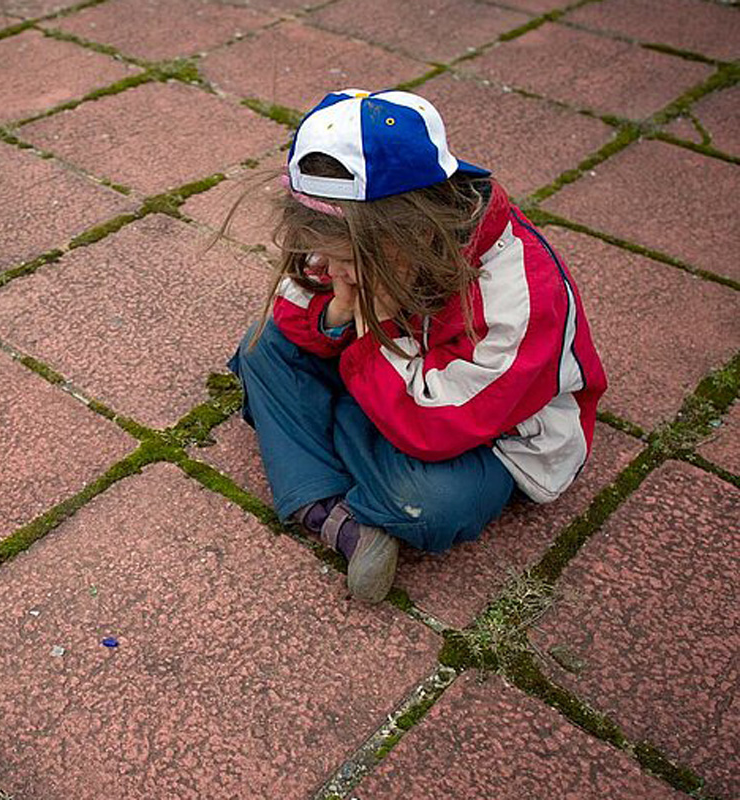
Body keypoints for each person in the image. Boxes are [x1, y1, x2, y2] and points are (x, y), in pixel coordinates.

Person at [228, 89, 606, 604]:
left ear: (413, 233)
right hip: (395, 383)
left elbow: (435, 428)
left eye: (349, 261)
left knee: (428, 504)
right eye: (329, 256)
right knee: (261, 350)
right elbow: (293, 306)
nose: (333, 269)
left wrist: (377, 321)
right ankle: (339, 518)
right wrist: (341, 311)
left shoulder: (520, 297)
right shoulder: (348, 229)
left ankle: (316, 468)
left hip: (488, 434)